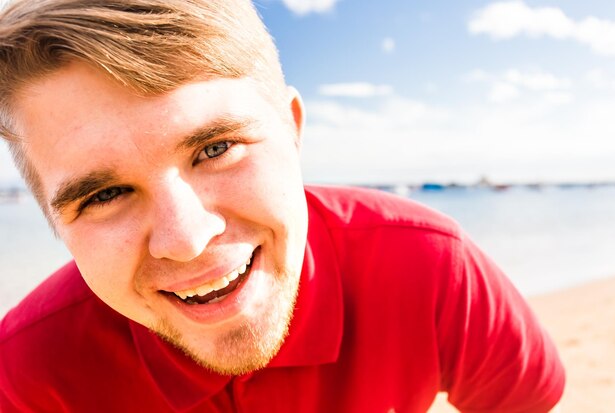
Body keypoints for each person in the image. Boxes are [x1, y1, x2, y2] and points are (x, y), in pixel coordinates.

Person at [0, 1, 564, 411]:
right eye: (103, 194)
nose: (187, 238)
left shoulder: (430, 264)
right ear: (53, 219)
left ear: (292, 131)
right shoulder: (27, 377)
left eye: (215, 149)